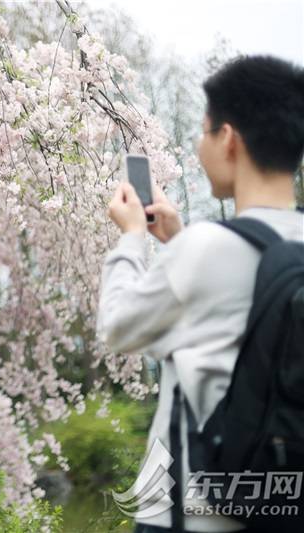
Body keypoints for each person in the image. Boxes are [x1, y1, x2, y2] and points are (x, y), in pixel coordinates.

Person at [97, 55, 304, 533]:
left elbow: (117, 325)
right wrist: (177, 240)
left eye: (204, 130)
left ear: (228, 139)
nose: (198, 145)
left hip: (192, 514)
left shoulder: (204, 251)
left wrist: (132, 237)